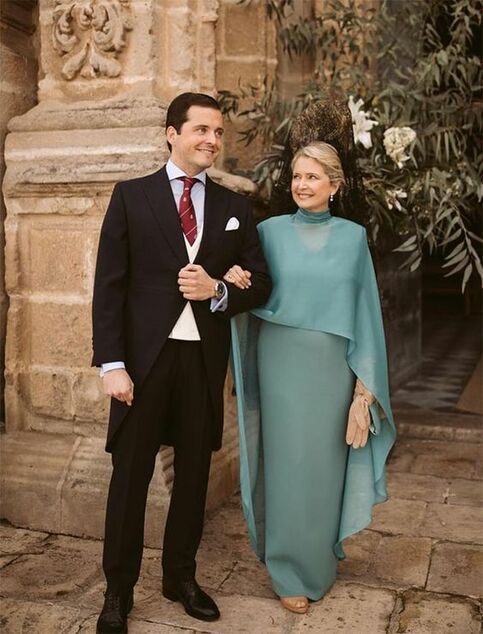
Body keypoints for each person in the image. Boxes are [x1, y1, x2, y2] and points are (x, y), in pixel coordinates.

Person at [92, 92, 271, 633]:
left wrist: (217, 289)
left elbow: (260, 283)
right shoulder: (131, 196)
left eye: (217, 131)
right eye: (201, 130)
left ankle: (180, 578)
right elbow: (109, 287)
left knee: (194, 476)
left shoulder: (234, 207)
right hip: (142, 366)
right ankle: (117, 593)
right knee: (130, 480)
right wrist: (112, 364)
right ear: (173, 133)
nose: (212, 140)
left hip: (200, 362)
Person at [229, 139, 396, 614]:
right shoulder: (268, 231)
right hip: (281, 363)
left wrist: (363, 392)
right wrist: (236, 279)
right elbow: (250, 286)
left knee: (324, 467)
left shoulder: (352, 237)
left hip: (332, 369)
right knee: (286, 465)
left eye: (313, 177)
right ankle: (285, 569)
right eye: (297, 176)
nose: (301, 185)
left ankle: (319, 560)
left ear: (334, 186)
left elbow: (365, 312)